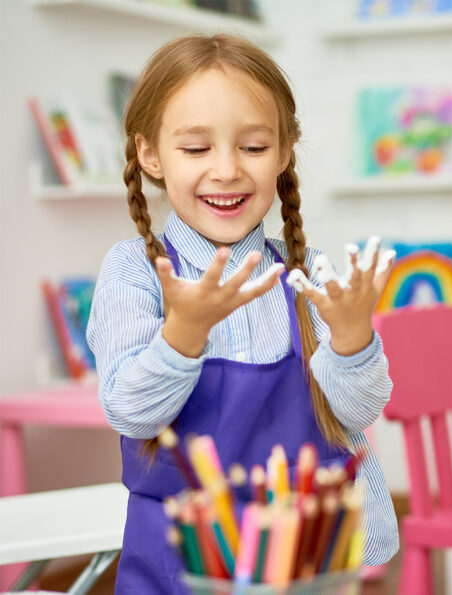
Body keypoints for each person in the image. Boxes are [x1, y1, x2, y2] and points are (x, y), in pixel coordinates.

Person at [86, 33, 399, 592]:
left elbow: (357, 412)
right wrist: (183, 333)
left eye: (253, 147)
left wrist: (353, 339)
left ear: (283, 152)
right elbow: (133, 414)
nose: (227, 170)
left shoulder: (309, 271)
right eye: (196, 148)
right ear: (150, 154)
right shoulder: (136, 272)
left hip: (303, 562)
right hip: (179, 566)